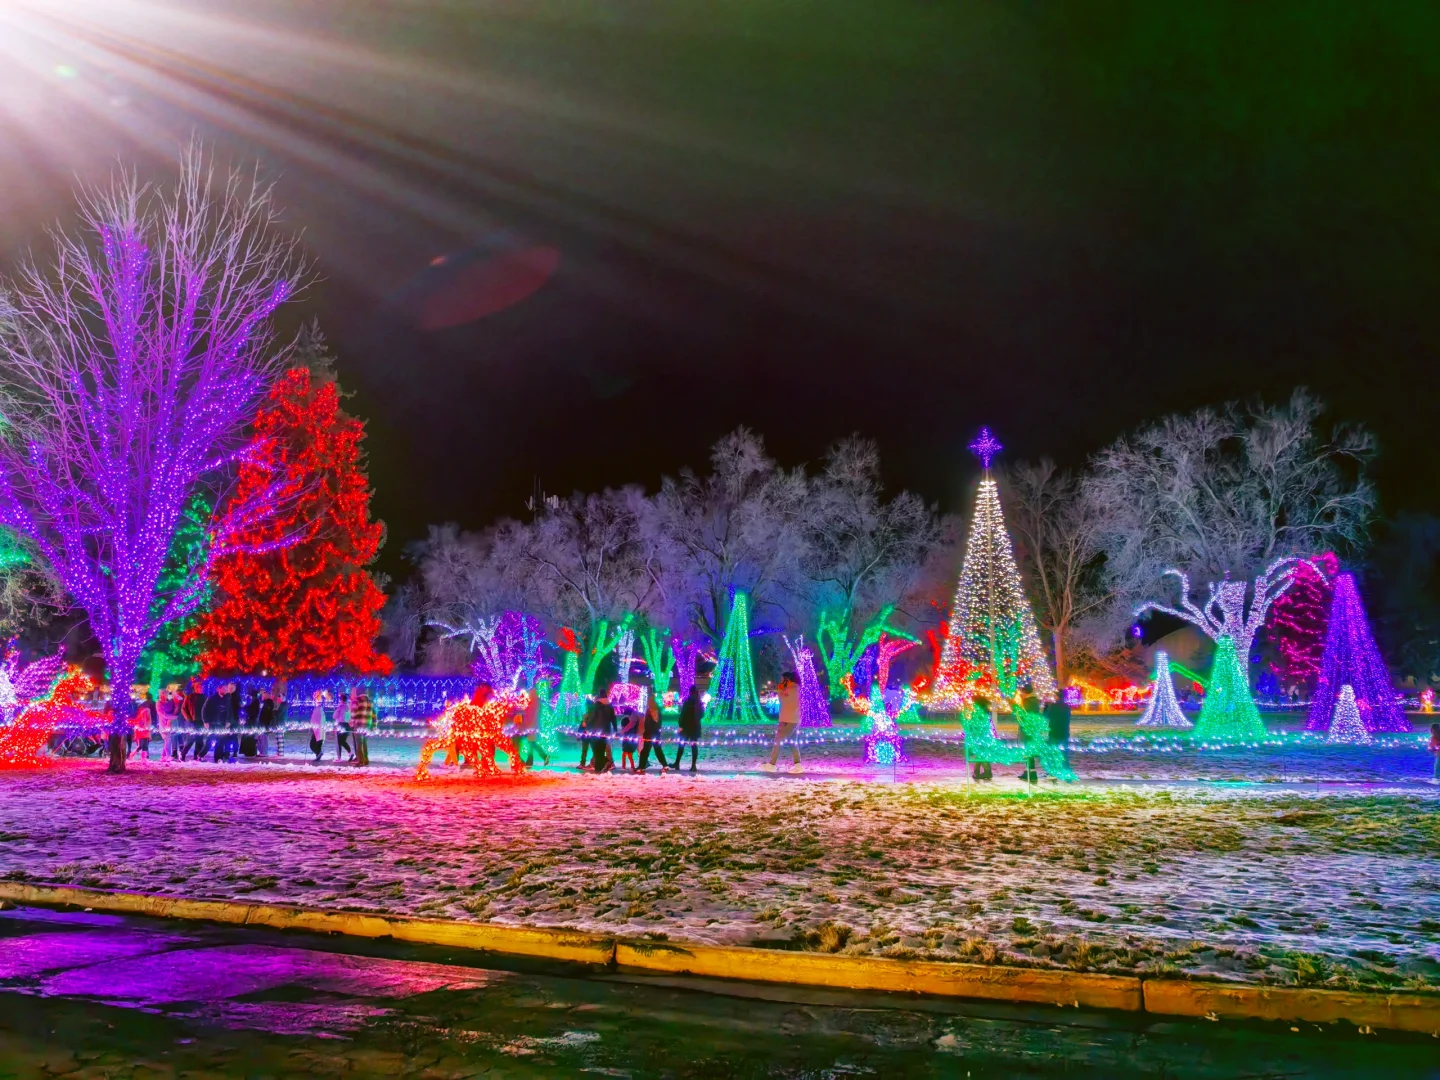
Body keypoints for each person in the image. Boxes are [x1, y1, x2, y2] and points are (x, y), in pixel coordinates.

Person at [764, 672, 803, 773]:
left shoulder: (791, 689)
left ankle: (772, 764)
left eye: (782, 679)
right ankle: (798, 765)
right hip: (793, 719)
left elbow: (783, 701)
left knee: (778, 741)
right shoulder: (796, 688)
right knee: (792, 743)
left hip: (788, 720)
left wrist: (780, 689)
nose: (781, 681)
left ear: (787, 679)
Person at [637, 694, 670, 772]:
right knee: (657, 750)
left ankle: (641, 767)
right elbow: (658, 722)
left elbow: (648, 723)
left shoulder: (650, 710)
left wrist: (645, 731)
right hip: (656, 733)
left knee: (645, 751)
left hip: (649, 734)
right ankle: (665, 765)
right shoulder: (657, 710)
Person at [519, 688, 549, 767]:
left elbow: (528, 716)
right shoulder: (536, 702)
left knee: (532, 743)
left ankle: (543, 756)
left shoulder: (532, 703)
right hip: (533, 726)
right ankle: (530, 761)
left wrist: (525, 725)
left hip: (531, 727)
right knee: (531, 743)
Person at [676, 684, 702, 774]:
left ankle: (677, 763)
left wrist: (681, 724)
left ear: (690, 692)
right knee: (694, 745)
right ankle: (693, 765)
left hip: (686, 727)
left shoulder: (688, 701)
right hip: (695, 727)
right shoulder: (699, 702)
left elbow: (683, 714)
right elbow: (702, 714)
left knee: (681, 745)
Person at [351, 687, 374, 767]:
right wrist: (373, 725)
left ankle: (360, 761)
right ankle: (366, 759)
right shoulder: (369, 701)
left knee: (358, 743)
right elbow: (373, 713)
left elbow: (353, 713)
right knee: (364, 742)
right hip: (367, 724)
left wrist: (352, 722)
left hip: (358, 724)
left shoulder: (356, 700)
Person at [131, 690, 155, 761]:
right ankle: (133, 755)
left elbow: (148, 719)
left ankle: (144, 757)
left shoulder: (145, 707)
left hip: (145, 729)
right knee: (142, 745)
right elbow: (147, 719)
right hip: (142, 729)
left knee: (144, 744)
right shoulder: (146, 708)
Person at [157, 687, 179, 761]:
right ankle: (168, 756)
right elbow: (162, 714)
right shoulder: (158, 703)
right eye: (162, 694)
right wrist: (174, 717)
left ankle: (163, 756)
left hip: (169, 724)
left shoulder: (170, 702)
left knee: (167, 740)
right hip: (162, 724)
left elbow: (175, 709)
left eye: (165, 694)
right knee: (167, 739)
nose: (163, 695)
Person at [617, 707, 640, 772]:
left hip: (626, 739)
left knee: (624, 754)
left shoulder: (625, 720)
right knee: (630, 754)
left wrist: (621, 733)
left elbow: (624, 729)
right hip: (633, 739)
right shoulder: (635, 719)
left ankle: (623, 766)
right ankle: (632, 766)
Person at [334, 688, 353, 762]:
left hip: (341, 725)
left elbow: (334, 716)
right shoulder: (348, 706)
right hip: (348, 725)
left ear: (341, 699)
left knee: (339, 741)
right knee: (343, 741)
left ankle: (339, 758)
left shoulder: (340, 706)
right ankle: (350, 753)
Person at [310, 692, 328, 763]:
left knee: (313, 745)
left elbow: (317, 719)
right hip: (317, 730)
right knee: (315, 745)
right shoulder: (317, 709)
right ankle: (318, 755)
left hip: (318, 730)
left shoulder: (319, 709)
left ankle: (318, 755)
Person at [257, 691, 276, 758]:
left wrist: (267, 723)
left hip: (265, 723)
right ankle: (262, 751)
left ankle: (264, 752)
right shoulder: (264, 702)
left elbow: (267, 714)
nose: (262, 696)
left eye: (263, 695)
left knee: (264, 738)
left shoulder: (268, 702)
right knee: (260, 738)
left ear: (267, 696)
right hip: (262, 723)